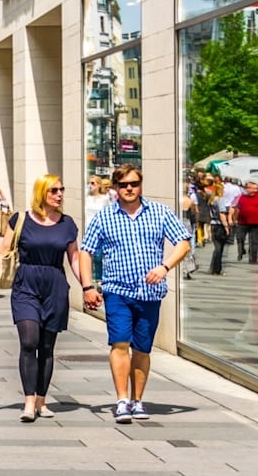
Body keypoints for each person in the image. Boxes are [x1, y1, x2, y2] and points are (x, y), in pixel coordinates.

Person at [78, 164, 192, 424]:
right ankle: (121, 400)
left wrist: (165, 267)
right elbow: (86, 251)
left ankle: (137, 400)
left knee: (142, 348)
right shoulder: (105, 217)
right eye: (123, 185)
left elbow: (183, 243)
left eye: (134, 184)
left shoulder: (160, 213)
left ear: (140, 185)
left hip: (150, 293)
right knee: (119, 343)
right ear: (115, 188)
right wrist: (87, 287)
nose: (129, 189)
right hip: (117, 290)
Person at [0, 174, 81, 421]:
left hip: (55, 285)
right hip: (26, 284)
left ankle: (42, 401)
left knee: (47, 346)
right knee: (29, 341)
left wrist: (87, 286)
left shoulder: (67, 224)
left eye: (61, 190)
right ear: (41, 194)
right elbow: (2, 250)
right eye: (53, 190)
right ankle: (28, 401)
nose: (59, 194)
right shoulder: (21, 219)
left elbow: (74, 258)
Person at [231, 180, 258, 269]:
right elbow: (237, 209)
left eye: (256, 188)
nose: (256, 190)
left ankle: (253, 259)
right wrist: (235, 218)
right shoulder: (242, 197)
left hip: (255, 223)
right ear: (248, 189)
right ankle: (241, 250)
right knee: (240, 238)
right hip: (242, 222)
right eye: (254, 188)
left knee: (254, 241)